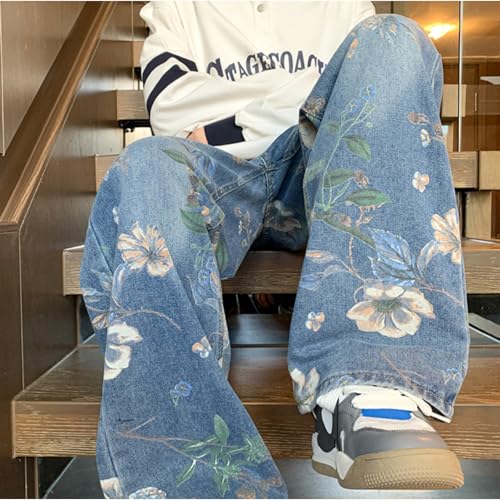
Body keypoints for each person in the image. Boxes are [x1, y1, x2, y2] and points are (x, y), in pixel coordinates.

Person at [80, 1, 469, 497]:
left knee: (394, 38)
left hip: (322, 174)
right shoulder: (177, 7)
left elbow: (381, 93)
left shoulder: (345, 6)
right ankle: (196, 487)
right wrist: (312, 101)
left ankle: (368, 385)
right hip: (219, 176)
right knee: (146, 164)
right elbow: (172, 111)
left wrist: (232, 116)